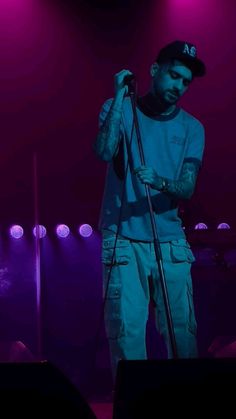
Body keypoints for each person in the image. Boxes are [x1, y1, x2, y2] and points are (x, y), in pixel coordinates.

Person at [94, 40, 206, 380]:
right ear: (155, 71)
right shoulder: (120, 109)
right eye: (173, 76)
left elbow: (187, 187)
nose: (178, 86)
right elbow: (103, 151)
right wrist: (117, 97)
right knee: (127, 336)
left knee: (182, 336)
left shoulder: (192, 128)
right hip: (124, 239)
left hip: (169, 241)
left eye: (185, 81)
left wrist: (158, 180)